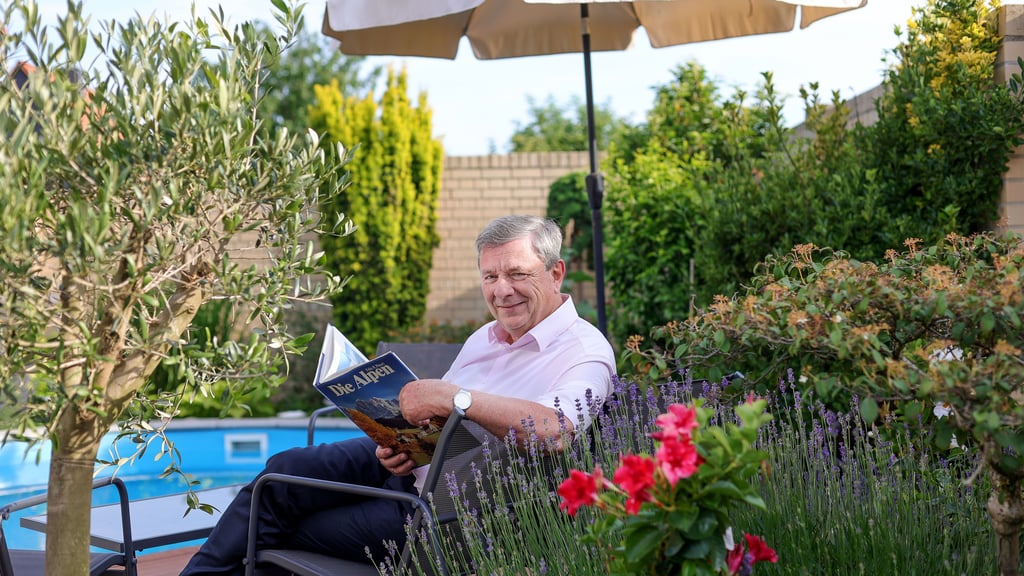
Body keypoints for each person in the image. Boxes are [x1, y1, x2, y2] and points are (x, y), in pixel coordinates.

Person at [179, 214, 615, 575]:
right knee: (281, 473)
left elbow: (557, 430)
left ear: (555, 272)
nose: (502, 290)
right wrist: (399, 442)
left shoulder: (585, 350)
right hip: (410, 466)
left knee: (281, 526)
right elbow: (438, 419)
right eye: (491, 276)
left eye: (518, 273)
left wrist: (455, 397)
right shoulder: (486, 337)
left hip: (442, 513)